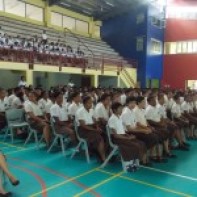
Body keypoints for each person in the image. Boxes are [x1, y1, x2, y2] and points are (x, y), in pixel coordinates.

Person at [108, 102, 147, 172]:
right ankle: (128, 164)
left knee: (141, 143)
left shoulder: (119, 117)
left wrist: (128, 135)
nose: (121, 110)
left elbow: (122, 130)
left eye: (121, 108)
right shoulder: (112, 119)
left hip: (123, 136)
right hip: (117, 139)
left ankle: (133, 162)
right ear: (114, 110)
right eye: (120, 109)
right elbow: (115, 135)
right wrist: (127, 138)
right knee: (133, 145)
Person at [76, 96, 106, 162]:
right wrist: (95, 130)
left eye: (91, 103)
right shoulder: (79, 111)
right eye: (89, 103)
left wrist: (97, 127)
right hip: (83, 130)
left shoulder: (92, 110)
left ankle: (100, 153)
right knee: (98, 138)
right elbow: (83, 125)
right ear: (84, 104)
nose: (91, 104)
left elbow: (95, 121)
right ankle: (103, 158)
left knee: (105, 134)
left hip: (92, 128)